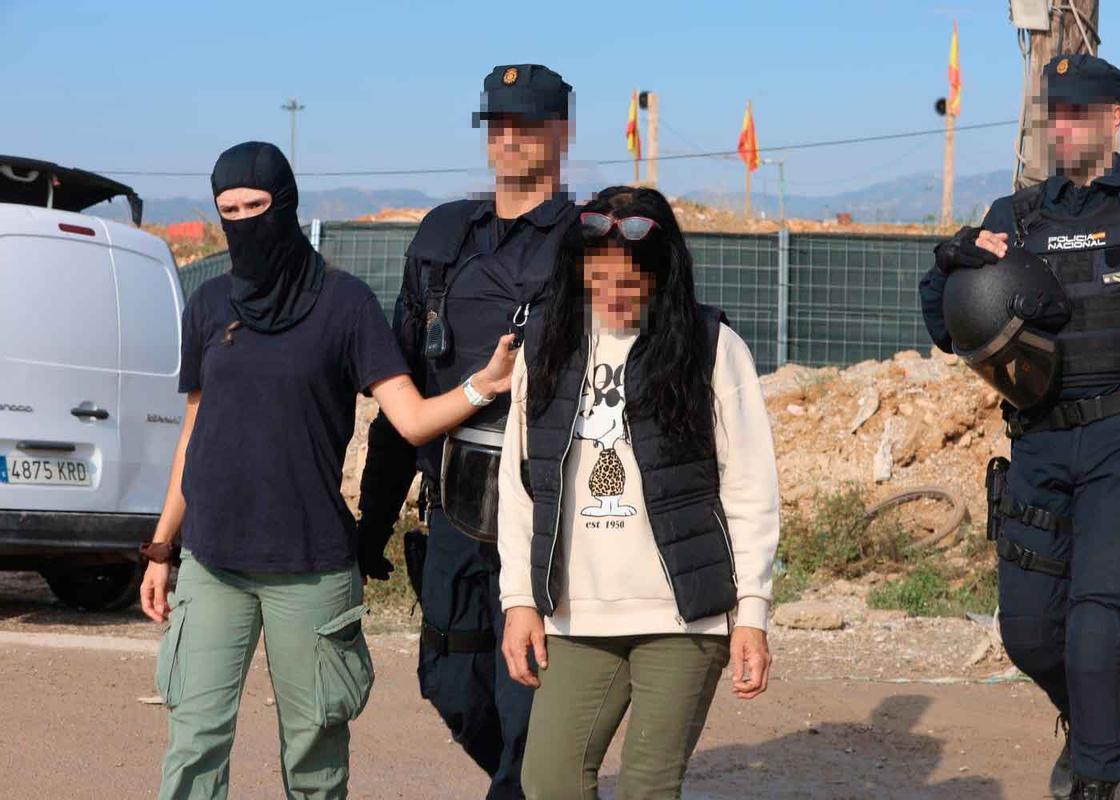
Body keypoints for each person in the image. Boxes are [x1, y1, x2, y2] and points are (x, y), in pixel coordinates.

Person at [139, 141, 517, 800]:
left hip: (310, 567)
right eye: (229, 210)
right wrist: (162, 546)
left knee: (314, 755)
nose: (243, 222)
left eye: (256, 206)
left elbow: (411, 420)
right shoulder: (208, 305)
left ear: (286, 204)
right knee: (194, 744)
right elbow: (194, 434)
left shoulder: (344, 305)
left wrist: (481, 387)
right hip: (212, 562)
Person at [919, 54, 1120, 800]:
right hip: (1039, 442)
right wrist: (949, 263)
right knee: (1029, 632)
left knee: (1095, 620)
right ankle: (1090, 720)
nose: (1065, 128)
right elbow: (947, 329)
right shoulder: (1013, 219)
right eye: (1056, 115)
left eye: (1080, 114)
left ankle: (1096, 776)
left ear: (1115, 118)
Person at [498, 186, 779, 799]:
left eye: (630, 280)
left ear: (661, 273)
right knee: (548, 780)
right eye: (599, 277)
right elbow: (520, 488)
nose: (614, 295)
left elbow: (750, 488)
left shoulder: (711, 346)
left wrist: (752, 614)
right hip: (575, 612)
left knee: (647, 787)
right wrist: (519, 601)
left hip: (684, 614)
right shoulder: (545, 345)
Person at [354, 64, 575, 799]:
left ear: (561, 133)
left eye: (527, 126)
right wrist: (373, 524)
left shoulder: (587, 243)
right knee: (449, 682)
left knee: (527, 700)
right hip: (453, 510)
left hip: (549, 515)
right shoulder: (444, 237)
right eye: (498, 126)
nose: (509, 140)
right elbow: (402, 390)